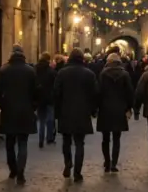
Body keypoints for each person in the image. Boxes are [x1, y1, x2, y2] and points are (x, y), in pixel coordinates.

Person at [0, 45, 37, 185]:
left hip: (9, 110)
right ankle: (21, 172)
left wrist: (1, 104)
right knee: (23, 142)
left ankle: (13, 169)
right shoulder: (30, 71)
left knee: (10, 142)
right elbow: (36, 91)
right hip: (25, 111)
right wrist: (33, 106)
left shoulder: (4, 70)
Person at [53, 47, 98, 181]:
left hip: (65, 111)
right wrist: (93, 110)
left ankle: (68, 163)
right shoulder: (89, 74)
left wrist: (57, 111)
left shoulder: (62, 73)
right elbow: (95, 94)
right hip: (82, 112)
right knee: (80, 143)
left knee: (66, 141)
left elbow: (56, 93)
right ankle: (77, 173)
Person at [96, 52, 134, 173]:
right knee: (117, 138)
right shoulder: (125, 74)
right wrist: (129, 107)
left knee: (105, 138)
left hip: (105, 109)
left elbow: (99, 92)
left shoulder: (103, 74)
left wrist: (96, 107)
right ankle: (114, 163)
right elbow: (129, 93)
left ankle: (107, 162)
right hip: (119, 109)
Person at [35, 52, 57, 148]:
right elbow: (55, 86)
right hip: (49, 98)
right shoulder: (52, 72)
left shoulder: (35, 70)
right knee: (50, 119)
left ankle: (40, 139)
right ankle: (49, 138)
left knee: (41, 120)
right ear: (48, 60)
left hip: (39, 98)